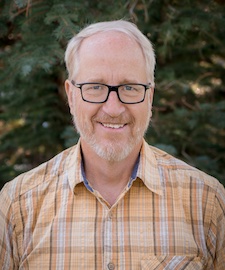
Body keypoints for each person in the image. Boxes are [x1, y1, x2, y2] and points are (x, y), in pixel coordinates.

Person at [0, 20, 224, 270]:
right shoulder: (17, 206)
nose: (113, 109)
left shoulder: (207, 203)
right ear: (71, 95)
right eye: (95, 87)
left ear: (149, 97)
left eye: (129, 87)